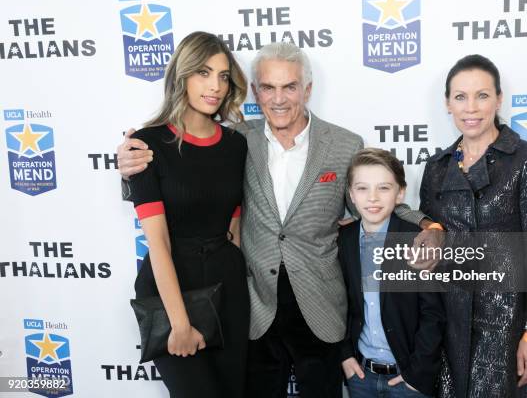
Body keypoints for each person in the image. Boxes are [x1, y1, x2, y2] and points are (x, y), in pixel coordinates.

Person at [119, 42, 443, 398]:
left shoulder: (344, 144)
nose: (279, 98)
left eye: (289, 86)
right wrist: (130, 169)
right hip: (254, 305)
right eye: (268, 88)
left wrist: (428, 224)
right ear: (255, 92)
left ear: (307, 90)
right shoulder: (237, 140)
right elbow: (192, 179)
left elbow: (374, 200)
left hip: (320, 306)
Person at [418, 54, 527, 398]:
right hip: (445, 324)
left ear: (498, 99)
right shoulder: (436, 167)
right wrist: (429, 224)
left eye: (482, 95)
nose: (471, 108)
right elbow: (425, 223)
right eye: (460, 97)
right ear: (448, 104)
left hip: (503, 325)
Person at [126, 31, 250, 398]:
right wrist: (179, 323)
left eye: (223, 76)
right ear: (182, 76)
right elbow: (159, 243)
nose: (215, 86)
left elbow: (235, 226)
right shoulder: (147, 145)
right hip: (170, 290)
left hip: (228, 289)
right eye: (203, 73)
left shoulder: (236, 144)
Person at [338, 148, 445, 398]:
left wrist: (417, 375)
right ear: (351, 194)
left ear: (400, 193)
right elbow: (337, 304)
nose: (372, 198)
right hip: (361, 377)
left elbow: (433, 314)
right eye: (363, 188)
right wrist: (344, 356)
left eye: (384, 188)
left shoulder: (417, 241)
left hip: (408, 380)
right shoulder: (344, 239)